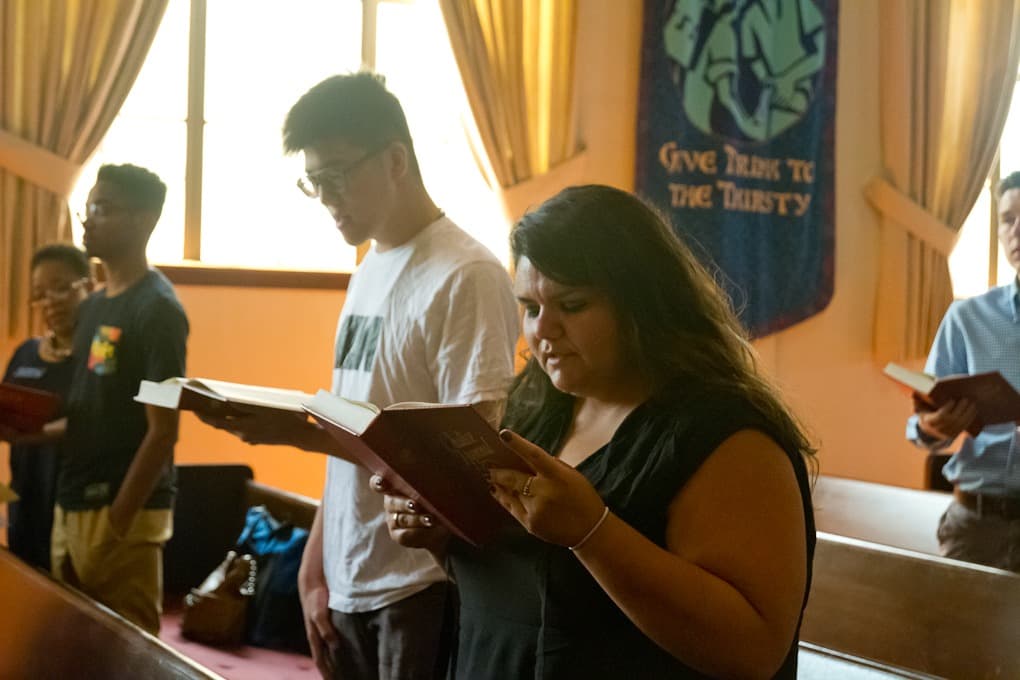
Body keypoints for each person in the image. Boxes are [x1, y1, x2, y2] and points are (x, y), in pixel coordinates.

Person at [376, 184, 817, 678]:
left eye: (573, 305)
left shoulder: (728, 438)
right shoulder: (535, 404)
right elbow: (523, 587)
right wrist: (440, 533)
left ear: (642, 304)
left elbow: (753, 651)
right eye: (531, 308)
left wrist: (592, 532)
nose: (543, 330)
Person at [199, 72, 518, 679]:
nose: (326, 197)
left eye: (337, 176)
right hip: (347, 577)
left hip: (418, 583)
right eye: (313, 182)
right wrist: (316, 563)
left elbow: (471, 455)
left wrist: (295, 433)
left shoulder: (467, 274)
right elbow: (351, 418)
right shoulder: (368, 267)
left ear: (396, 159)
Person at [53, 164, 189, 634]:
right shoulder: (92, 306)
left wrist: (116, 522)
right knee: (72, 651)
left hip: (121, 514)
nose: (87, 220)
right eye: (87, 207)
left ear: (143, 220)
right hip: (71, 503)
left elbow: (163, 431)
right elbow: (92, 412)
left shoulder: (158, 311)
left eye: (102, 208)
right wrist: (24, 431)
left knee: (128, 656)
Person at [906, 170, 1020, 572]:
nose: (1016, 230)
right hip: (975, 524)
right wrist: (933, 427)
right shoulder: (967, 317)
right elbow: (921, 426)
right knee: (956, 636)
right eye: (1008, 219)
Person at [3, 244, 91, 569]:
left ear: (89, 285)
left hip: (76, 503)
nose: (51, 301)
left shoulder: (99, 359)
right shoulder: (25, 354)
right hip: (25, 500)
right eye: (41, 293)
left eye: (60, 288)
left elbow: (103, 422)